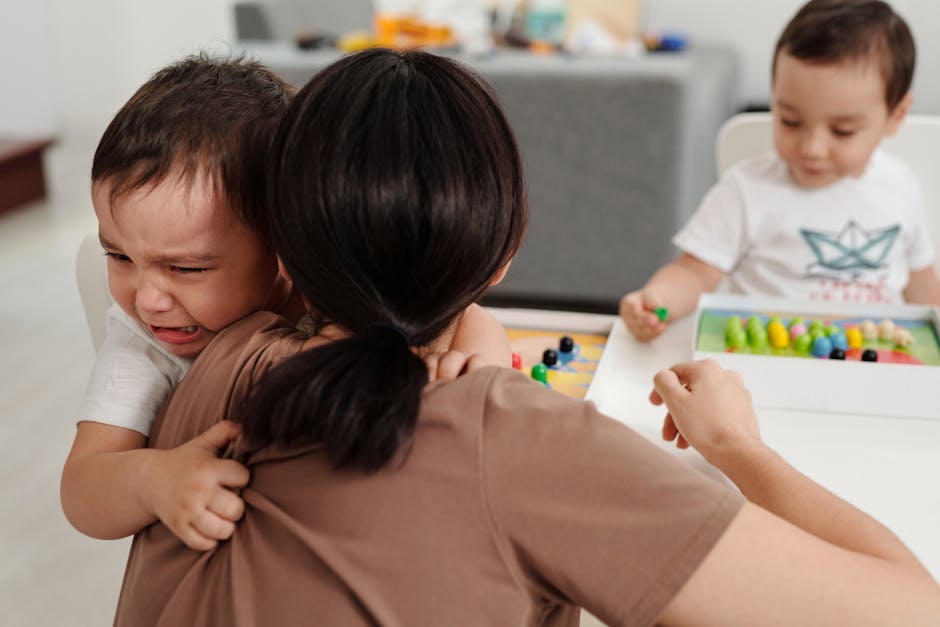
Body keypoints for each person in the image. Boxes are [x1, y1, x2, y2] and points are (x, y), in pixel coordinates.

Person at [111, 48, 940, 626]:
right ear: (508, 248)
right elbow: (913, 609)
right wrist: (737, 447)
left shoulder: (213, 355)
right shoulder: (515, 441)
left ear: (283, 256)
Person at [60, 54, 510, 552]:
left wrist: (479, 366)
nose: (146, 299)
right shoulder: (144, 346)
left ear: (287, 245)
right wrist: (154, 480)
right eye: (118, 255)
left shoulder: (328, 291)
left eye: (186, 269)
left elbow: (466, 317)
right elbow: (83, 486)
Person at [621, 0, 940, 341]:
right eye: (790, 121)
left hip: (872, 359)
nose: (811, 149)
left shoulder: (900, 185)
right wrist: (657, 302)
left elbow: (920, 282)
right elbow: (694, 274)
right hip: (764, 362)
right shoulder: (747, 189)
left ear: (897, 114)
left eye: (842, 131)